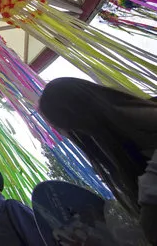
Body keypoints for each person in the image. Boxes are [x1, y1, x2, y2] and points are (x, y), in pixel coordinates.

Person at [39, 77, 157, 244]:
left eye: (64, 130)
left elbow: (150, 228)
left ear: (78, 126)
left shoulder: (145, 179)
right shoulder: (133, 154)